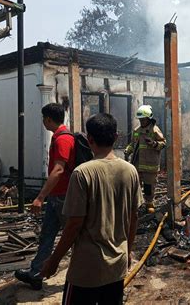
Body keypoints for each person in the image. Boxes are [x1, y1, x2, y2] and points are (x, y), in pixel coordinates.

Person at [41, 113, 142, 305]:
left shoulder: (82, 173)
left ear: (90, 140)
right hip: (116, 266)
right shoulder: (130, 171)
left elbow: (74, 224)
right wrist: (128, 251)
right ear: (116, 137)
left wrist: (54, 260)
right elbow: (134, 217)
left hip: (87, 270)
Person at [15, 103, 75, 290]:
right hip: (56, 197)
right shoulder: (59, 137)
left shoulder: (63, 139)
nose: (42, 122)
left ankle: (85, 275)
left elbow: (58, 170)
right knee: (47, 235)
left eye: (43, 118)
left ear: (48, 119)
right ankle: (36, 273)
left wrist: (40, 197)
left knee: (74, 238)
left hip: (63, 197)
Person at [124, 105, 166, 213]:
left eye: (144, 119)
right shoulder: (137, 130)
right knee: (136, 185)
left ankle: (149, 203)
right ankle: (137, 204)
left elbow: (163, 144)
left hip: (150, 164)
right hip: (137, 164)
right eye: (140, 119)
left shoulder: (155, 130)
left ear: (149, 118)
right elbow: (133, 143)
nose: (142, 121)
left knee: (149, 185)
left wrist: (154, 143)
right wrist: (128, 150)